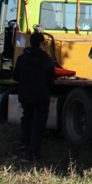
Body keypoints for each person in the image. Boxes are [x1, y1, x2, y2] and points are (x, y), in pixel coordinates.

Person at [11, 31, 56, 162]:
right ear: (42, 43)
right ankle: (34, 151)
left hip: (26, 96)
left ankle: (24, 143)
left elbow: (15, 77)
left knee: (27, 119)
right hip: (41, 97)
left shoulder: (22, 58)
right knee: (38, 124)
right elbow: (51, 80)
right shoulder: (47, 60)